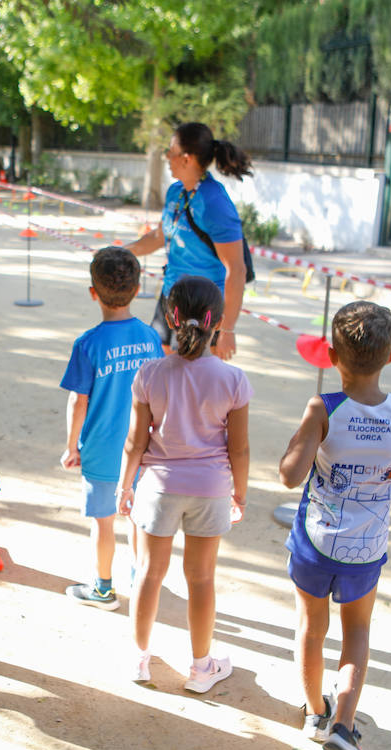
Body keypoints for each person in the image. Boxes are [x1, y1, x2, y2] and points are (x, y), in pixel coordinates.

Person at [278, 301, 391, 750]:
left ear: (332, 354)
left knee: (311, 629)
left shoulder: (324, 407)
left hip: (316, 542)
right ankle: (344, 724)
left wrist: (306, 437)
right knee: (357, 631)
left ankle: (316, 713)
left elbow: (289, 476)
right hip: (366, 548)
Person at [117, 276, 251, 692]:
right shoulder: (233, 380)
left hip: (158, 487)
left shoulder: (150, 373)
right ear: (220, 321)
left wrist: (125, 486)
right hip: (211, 489)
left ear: (170, 316)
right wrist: (239, 492)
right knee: (201, 578)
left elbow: (135, 442)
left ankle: (139, 659)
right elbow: (239, 449)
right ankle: (200, 668)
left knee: (148, 574)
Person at [59, 247, 163, 609]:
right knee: (136, 515)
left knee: (104, 522)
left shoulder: (87, 344)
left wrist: (72, 446)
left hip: (103, 450)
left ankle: (103, 588)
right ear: (137, 290)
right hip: (144, 449)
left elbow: (79, 402)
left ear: (93, 292)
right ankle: (140, 579)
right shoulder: (151, 338)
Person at [127, 122, 252, 361]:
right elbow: (158, 237)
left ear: (186, 159)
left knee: (193, 380)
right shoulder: (176, 192)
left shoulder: (215, 203)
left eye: (171, 152)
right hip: (171, 296)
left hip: (202, 306)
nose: (166, 157)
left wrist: (227, 329)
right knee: (159, 368)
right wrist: (122, 251)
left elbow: (236, 269)